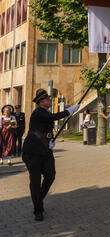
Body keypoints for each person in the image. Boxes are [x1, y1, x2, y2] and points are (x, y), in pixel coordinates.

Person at [22, 88, 78, 221]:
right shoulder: (38, 113)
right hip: (33, 151)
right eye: (47, 98)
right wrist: (70, 110)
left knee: (50, 175)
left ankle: (38, 199)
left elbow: (46, 129)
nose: (50, 100)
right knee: (35, 181)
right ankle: (38, 210)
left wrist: (50, 140)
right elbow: (53, 117)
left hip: (45, 150)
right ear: (41, 102)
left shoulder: (45, 112)